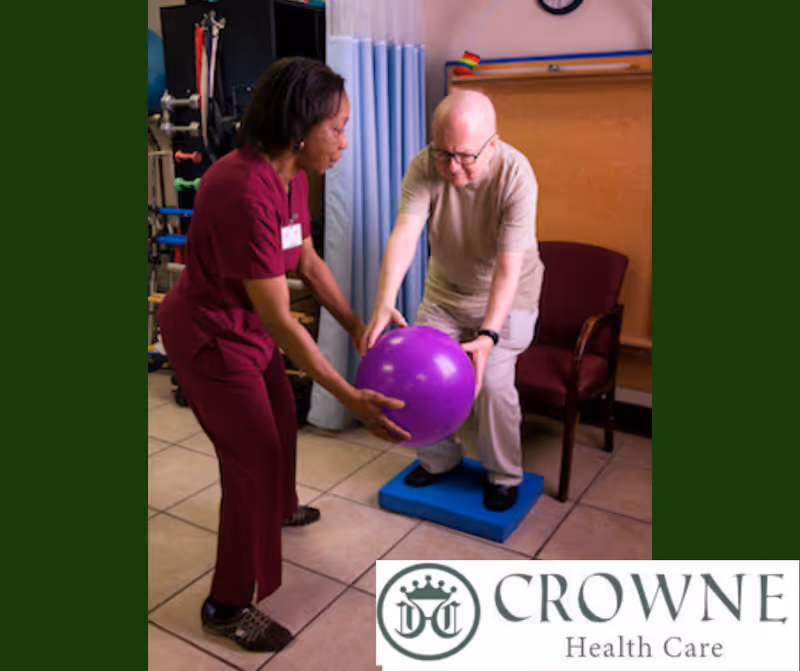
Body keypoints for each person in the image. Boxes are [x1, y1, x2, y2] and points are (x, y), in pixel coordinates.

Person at [158, 57, 410, 653]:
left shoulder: (292, 177)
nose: (345, 142)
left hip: (244, 326)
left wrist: (353, 324)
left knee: (281, 422)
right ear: (300, 126)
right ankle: (225, 605)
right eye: (338, 128)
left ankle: (280, 506)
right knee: (252, 458)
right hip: (209, 337)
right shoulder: (242, 189)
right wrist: (348, 394)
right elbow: (279, 316)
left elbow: (307, 260)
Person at [359, 89, 544, 513]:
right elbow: (406, 232)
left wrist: (489, 334)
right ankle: (439, 460)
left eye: (464, 156)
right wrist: (384, 301)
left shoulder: (516, 175)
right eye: (443, 154)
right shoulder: (425, 165)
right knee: (421, 374)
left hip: (508, 300)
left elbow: (508, 268)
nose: (451, 167)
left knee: (493, 386)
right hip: (445, 295)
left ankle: (503, 474)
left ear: (491, 145)